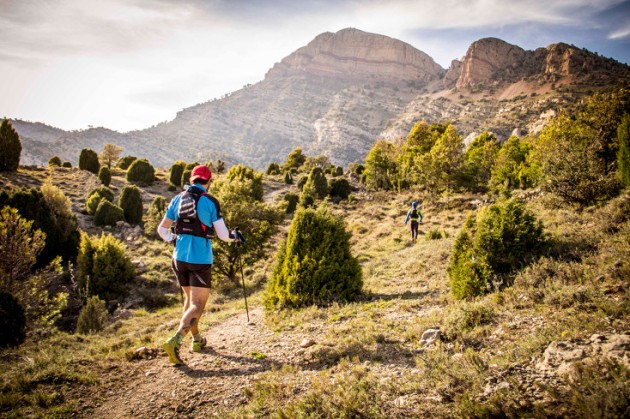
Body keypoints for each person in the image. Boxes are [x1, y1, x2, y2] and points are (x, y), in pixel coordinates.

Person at [158, 164, 239, 365]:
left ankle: (196, 340)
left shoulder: (177, 199)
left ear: (192, 179)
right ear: (209, 181)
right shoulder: (210, 201)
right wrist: (235, 237)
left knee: (190, 302)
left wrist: (173, 239)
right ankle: (175, 341)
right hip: (200, 260)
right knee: (197, 305)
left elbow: (162, 229)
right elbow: (222, 235)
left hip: (179, 258)